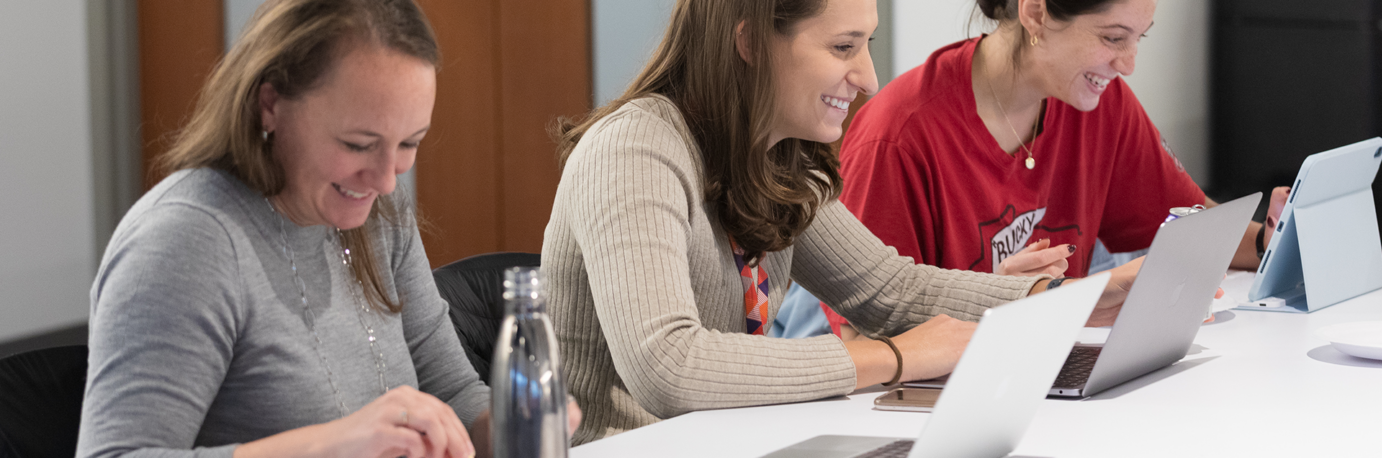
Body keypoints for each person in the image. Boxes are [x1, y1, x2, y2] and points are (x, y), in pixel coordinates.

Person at [542, 0, 1139, 444]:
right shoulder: (634, 149)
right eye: (842, 48)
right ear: (749, 42)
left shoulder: (774, 152)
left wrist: (1069, 297)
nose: (869, 79)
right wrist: (897, 358)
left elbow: (888, 289)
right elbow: (667, 364)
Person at [77, 1, 576, 457]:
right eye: (359, 144)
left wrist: (521, 420)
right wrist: (330, 446)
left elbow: (452, 392)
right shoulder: (185, 241)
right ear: (270, 105)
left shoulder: (378, 211)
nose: (385, 179)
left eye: (409, 143)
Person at [793, 0, 1277, 339]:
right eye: (1112, 38)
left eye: (1137, 40)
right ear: (1036, 13)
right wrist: (1010, 302)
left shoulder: (1095, 103)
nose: (1128, 64)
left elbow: (1188, 221)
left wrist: (1269, 240)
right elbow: (867, 328)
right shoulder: (897, 137)